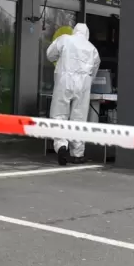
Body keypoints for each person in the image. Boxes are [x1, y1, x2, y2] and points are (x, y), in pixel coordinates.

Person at [46, 23, 101, 166]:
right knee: (79, 118)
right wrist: (88, 82)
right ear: (86, 34)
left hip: (65, 79)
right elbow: (94, 70)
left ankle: (61, 146)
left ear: (75, 31)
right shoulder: (92, 48)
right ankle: (77, 154)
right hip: (83, 83)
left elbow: (50, 54)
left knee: (59, 114)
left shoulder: (65, 39)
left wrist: (57, 60)